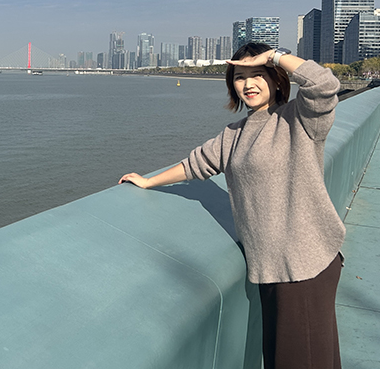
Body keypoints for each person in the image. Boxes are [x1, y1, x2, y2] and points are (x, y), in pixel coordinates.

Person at [119, 42, 344, 369]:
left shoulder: (299, 119)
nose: (248, 84)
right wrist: (149, 181)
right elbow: (196, 164)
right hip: (271, 267)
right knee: (294, 358)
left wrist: (275, 56)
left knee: (301, 360)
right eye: (239, 77)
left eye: (258, 74)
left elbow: (324, 85)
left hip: (305, 264)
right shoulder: (234, 135)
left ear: (276, 79)